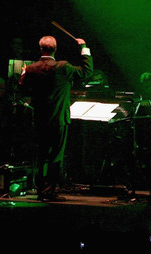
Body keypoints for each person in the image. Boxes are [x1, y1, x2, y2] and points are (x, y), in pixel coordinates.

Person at [18, 34, 93, 201]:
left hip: (40, 119)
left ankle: (40, 190)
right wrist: (84, 48)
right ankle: (49, 191)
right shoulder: (63, 66)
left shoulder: (32, 68)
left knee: (42, 155)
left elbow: (22, 87)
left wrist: (23, 73)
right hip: (59, 118)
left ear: (41, 49)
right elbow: (86, 71)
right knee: (56, 156)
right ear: (55, 49)